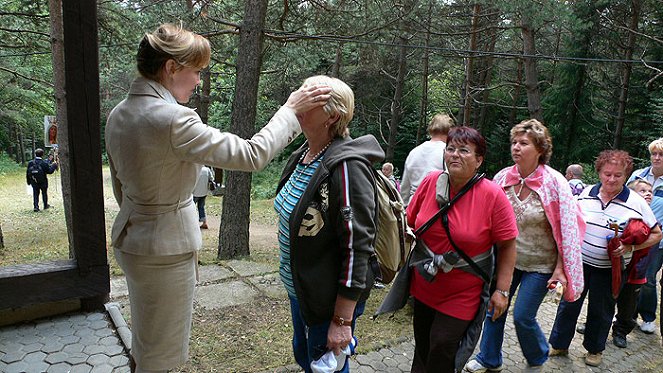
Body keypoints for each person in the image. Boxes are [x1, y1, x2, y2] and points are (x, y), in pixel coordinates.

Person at [105, 23, 331, 373]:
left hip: (133, 239)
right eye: (195, 72)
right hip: (166, 250)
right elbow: (252, 155)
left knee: (147, 338)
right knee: (159, 355)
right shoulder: (172, 119)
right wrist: (289, 111)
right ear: (171, 69)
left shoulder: (120, 112)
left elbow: (121, 185)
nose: (198, 81)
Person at [274, 75, 383, 373]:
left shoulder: (348, 166)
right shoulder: (303, 155)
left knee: (325, 368)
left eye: (310, 99)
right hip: (303, 291)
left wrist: (342, 320)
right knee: (306, 357)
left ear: (332, 116)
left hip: (327, 300)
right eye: (300, 93)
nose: (298, 101)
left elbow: (358, 245)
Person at [465, 119, 585, 372]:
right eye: (514, 142)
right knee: (494, 307)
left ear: (540, 149)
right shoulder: (502, 178)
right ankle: (490, 358)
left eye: (524, 143)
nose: (516, 148)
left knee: (522, 316)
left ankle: (538, 355)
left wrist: (561, 268)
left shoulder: (555, 183)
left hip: (540, 264)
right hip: (506, 260)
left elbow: (569, 231)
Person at [405, 126, 518, 372]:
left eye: (464, 150)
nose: (454, 154)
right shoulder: (430, 182)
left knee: (442, 348)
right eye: (451, 149)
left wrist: (502, 290)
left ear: (479, 160)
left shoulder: (492, 195)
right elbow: (410, 221)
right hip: (425, 284)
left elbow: (508, 245)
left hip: (462, 292)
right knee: (423, 348)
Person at [548, 150, 662, 367]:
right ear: (599, 172)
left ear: (626, 176)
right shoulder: (584, 194)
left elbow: (657, 234)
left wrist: (631, 246)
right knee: (569, 304)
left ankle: (594, 349)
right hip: (579, 264)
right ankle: (559, 344)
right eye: (607, 174)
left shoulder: (636, 202)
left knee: (601, 310)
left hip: (610, 267)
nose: (611, 179)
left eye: (618, 175)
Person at [611, 179, 660, 348]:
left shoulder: (652, 221)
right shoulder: (622, 215)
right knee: (606, 299)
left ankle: (621, 331)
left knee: (628, 305)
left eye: (650, 191)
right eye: (643, 190)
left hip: (637, 272)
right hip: (616, 269)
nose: (648, 193)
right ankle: (595, 326)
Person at [629, 138, 663, 335]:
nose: (657, 158)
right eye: (654, 154)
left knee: (648, 278)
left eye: (661, 155)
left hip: (657, 240)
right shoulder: (638, 175)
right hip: (635, 236)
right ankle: (628, 315)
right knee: (631, 276)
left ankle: (648, 317)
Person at [400, 113, 454, 206]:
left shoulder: (414, 152)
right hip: (435, 205)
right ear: (450, 131)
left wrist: (405, 207)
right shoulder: (447, 152)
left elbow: (405, 187)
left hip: (413, 204)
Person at [26, 148, 58, 212]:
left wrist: (28, 181)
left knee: (35, 193)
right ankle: (45, 205)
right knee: (44, 193)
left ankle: (36, 206)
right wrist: (54, 166)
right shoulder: (44, 163)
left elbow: (27, 172)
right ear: (42, 155)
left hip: (34, 181)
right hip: (43, 181)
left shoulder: (30, 163)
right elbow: (49, 171)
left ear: (35, 154)